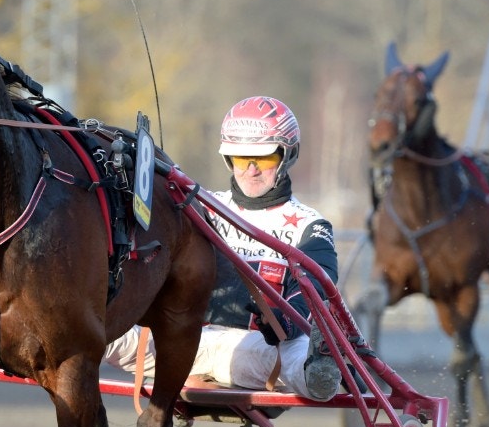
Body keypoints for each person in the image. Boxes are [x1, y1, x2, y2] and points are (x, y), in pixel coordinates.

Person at [105, 95, 342, 401]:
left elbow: (317, 285)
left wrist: (286, 320)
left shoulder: (311, 224)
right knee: (101, 332)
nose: (251, 170)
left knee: (295, 355)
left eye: (264, 158)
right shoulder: (199, 205)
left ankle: (319, 373)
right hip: (180, 339)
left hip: (258, 349)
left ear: (288, 155)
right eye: (242, 159)